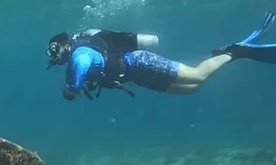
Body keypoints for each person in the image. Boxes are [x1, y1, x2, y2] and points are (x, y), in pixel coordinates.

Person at [46, 12, 276, 101]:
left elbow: (81, 64)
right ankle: (229, 53)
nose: (53, 56)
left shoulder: (81, 53)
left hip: (140, 63)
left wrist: (71, 88)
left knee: (197, 75)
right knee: (190, 89)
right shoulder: (80, 53)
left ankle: (235, 52)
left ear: (66, 45)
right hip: (135, 75)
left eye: (54, 50)